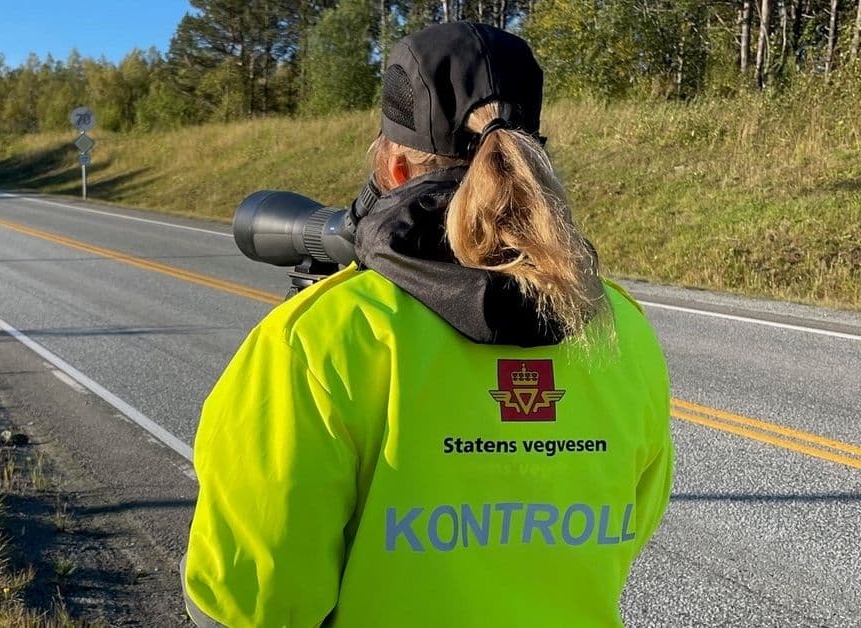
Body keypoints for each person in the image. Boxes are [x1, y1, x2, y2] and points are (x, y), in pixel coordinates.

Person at [182, 21, 673, 628]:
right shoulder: (619, 327)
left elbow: (245, 604)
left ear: (392, 169)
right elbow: (627, 528)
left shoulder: (318, 340)